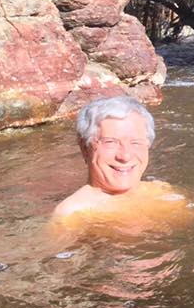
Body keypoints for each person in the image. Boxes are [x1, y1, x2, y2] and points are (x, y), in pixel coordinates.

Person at [52, 96, 184, 223]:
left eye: (136, 143)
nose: (125, 156)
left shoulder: (162, 191)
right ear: (85, 148)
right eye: (110, 142)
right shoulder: (71, 215)